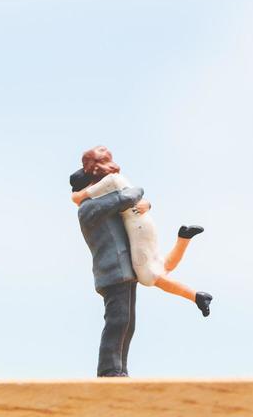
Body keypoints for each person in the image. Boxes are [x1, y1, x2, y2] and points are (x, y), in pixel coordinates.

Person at [72, 150, 211, 317]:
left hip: (137, 228)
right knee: (164, 265)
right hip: (145, 221)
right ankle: (184, 238)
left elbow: (79, 197)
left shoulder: (107, 183)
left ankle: (197, 296)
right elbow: (135, 195)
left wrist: (77, 193)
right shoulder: (118, 180)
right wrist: (147, 203)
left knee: (150, 277)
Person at [72, 156, 146, 378]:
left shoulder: (96, 206)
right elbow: (127, 196)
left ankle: (120, 369)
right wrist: (130, 188)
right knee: (117, 322)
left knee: (127, 324)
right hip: (113, 272)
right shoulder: (89, 208)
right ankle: (109, 371)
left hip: (124, 271)